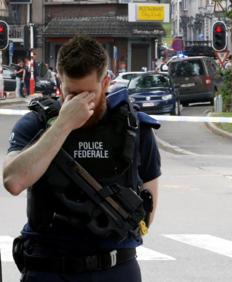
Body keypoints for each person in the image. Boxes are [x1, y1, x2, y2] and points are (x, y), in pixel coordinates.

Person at [2, 35, 161, 282]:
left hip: (114, 269)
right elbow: (13, 181)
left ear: (106, 82)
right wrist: (63, 124)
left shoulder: (134, 128)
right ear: (58, 84)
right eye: (71, 93)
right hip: (49, 268)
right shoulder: (36, 124)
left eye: (88, 93)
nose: (78, 102)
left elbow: (146, 214)